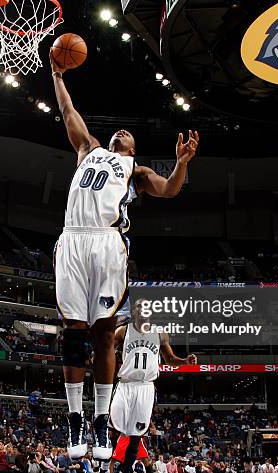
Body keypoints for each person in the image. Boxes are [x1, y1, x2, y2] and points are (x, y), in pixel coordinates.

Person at [49, 52, 199, 461]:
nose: (123, 131)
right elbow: (67, 110)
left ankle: (100, 422)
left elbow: (169, 189)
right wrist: (57, 73)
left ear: (133, 149)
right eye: (119, 131)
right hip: (73, 240)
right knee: (74, 332)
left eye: (129, 133)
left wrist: (182, 164)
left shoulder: (136, 171)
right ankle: (75, 418)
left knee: (102, 332)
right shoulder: (87, 149)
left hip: (108, 244)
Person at [109, 299, 196, 473]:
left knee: (137, 433)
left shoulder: (160, 333)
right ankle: (111, 460)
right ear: (134, 312)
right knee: (114, 426)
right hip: (126, 383)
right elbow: (106, 350)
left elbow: (170, 359)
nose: (143, 311)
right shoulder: (123, 331)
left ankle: (126, 468)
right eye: (139, 307)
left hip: (146, 386)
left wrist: (185, 361)